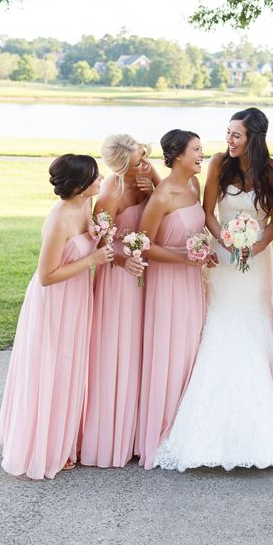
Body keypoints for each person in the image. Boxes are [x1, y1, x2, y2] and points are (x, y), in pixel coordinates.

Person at [154, 107, 273, 471]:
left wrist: (254, 247)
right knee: (221, 322)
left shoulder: (272, 171)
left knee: (254, 321)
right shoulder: (218, 164)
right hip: (222, 255)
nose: (229, 140)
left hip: (256, 260)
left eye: (236, 135)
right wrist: (225, 241)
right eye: (228, 133)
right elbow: (208, 210)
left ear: (253, 137)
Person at [0, 154, 113, 479]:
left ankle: (62, 439)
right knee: (52, 366)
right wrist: (93, 259)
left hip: (77, 298)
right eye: (94, 176)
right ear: (78, 185)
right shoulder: (59, 218)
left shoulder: (85, 206)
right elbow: (47, 275)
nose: (100, 179)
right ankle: (42, 446)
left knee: (70, 367)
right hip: (55, 301)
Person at [81, 134, 160, 468]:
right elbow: (100, 243)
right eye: (139, 161)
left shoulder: (146, 177)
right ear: (122, 167)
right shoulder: (108, 195)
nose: (145, 164)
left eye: (144, 157)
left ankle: (142, 432)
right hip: (120, 278)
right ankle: (114, 435)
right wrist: (121, 260)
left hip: (147, 270)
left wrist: (153, 187)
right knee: (120, 350)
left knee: (145, 350)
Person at [136, 129, 208, 469]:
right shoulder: (162, 197)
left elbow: (198, 229)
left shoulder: (194, 186)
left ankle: (189, 429)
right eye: (196, 149)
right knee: (171, 352)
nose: (202, 154)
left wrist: (202, 254)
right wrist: (183, 258)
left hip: (193, 282)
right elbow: (143, 244)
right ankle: (160, 433)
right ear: (178, 155)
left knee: (192, 351)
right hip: (168, 285)